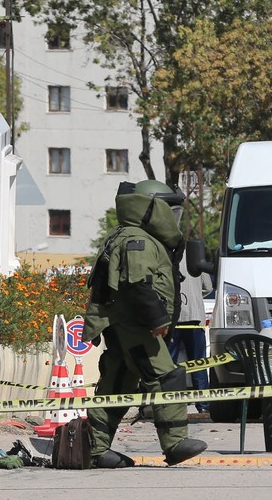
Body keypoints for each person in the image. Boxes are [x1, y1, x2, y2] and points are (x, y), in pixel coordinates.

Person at [81, 180, 207, 468]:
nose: (174, 219)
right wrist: (158, 320)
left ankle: (96, 449)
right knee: (166, 377)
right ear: (150, 209)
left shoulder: (127, 236)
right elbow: (137, 286)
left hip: (122, 324)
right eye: (169, 210)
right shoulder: (139, 241)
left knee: (117, 384)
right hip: (135, 326)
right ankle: (175, 444)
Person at [168, 257, 214, 413]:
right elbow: (208, 287)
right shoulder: (196, 257)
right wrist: (194, 295)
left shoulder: (162, 255)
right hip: (194, 317)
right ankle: (203, 407)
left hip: (171, 319)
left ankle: (170, 406)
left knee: (169, 366)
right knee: (199, 364)